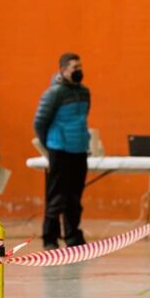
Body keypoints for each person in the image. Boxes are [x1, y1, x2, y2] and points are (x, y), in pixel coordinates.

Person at [33, 53, 91, 250]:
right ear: (63, 70)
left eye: (80, 67)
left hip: (79, 150)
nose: (78, 71)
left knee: (74, 198)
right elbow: (40, 122)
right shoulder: (53, 93)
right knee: (56, 196)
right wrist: (49, 143)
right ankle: (49, 238)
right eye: (74, 68)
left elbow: (84, 118)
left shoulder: (85, 92)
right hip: (60, 150)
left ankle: (73, 236)